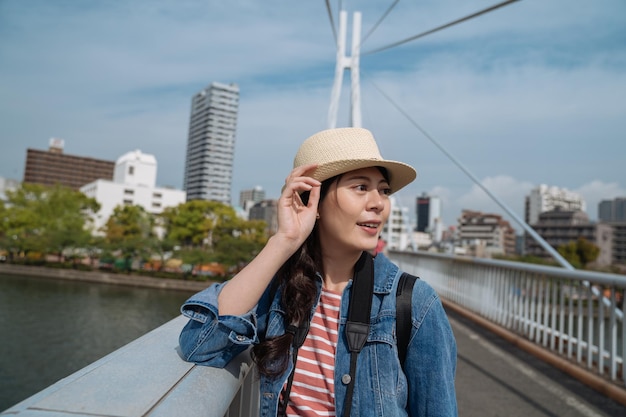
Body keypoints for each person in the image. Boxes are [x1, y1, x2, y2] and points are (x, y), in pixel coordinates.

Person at [178, 127, 458, 416]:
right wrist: (284, 240)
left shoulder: (413, 304)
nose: (378, 204)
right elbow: (201, 345)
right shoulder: (282, 291)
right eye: (361, 187)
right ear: (314, 201)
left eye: (383, 190)